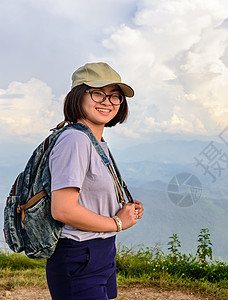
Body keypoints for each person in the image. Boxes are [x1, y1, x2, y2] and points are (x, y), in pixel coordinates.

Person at [45, 62, 144, 300]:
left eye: (114, 96)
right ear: (77, 96)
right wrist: (118, 223)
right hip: (79, 255)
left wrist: (120, 210)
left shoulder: (95, 142)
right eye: (97, 93)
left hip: (100, 250)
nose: (107, 101)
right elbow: (62, 210)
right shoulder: (75, 140)